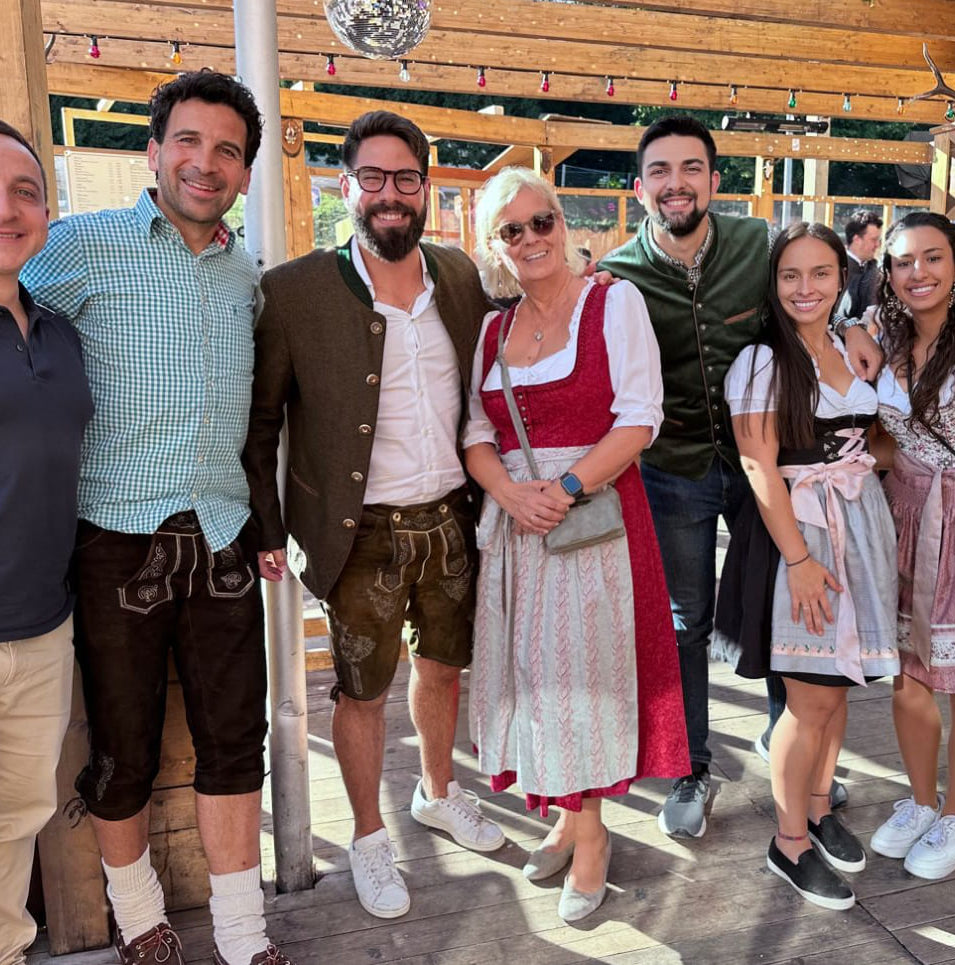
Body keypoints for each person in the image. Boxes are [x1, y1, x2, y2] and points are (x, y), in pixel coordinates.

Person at [21, 72, 291, 965]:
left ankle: (247, 936)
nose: (204, 163)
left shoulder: (247, 275)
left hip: (220, 540)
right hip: (113, 540)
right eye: (188, 141)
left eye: (226, 150)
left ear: (245, 172)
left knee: (232, 744)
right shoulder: (78, 247)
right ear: (153, 150)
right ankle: (141, 923)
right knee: (123, 749)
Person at [242, 110, 504, 922]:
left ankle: (436, 789)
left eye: (407, 179)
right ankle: (365, 835)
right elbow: (260, 422)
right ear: (346, 186)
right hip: (357, 533)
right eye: (374, 178)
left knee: (443, 668)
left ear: (426, 188)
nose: (391, 195)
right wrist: (265, 525)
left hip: (452, 518)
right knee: (359, 692)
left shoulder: (459, 277)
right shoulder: (293, 290)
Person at [598, 116, 882, 838]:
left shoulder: (757, 246)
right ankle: (691, 765)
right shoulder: (618, 276)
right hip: (675, 468)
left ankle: (790, 736)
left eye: (691, 168)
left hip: (770, 460)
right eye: (660, 170)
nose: (676, 183)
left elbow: (809, 292)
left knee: (779, 604)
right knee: (685, 621)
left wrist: (851, 324)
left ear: (713, 180)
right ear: (639, 188)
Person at [464, 166, 689, 923]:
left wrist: (559, 490)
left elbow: (640, 417)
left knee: (579, 682)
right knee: (532, 680)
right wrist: (507, 492)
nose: (530, 238)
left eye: (542, 221)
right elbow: (475, 432)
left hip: (589, 518)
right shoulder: (495, 328)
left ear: (563, 226)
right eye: (512, 229)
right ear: (496, 246)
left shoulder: (611, 301)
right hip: (518, 526)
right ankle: (565, 816)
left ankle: (591, 838)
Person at [713, 222, 899, 910]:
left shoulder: (851, 348)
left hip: (857, 522)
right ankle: (787, 841)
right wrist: (796, 558)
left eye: (819, 273)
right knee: (808, 695)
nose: (805, 288)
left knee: (839, 681)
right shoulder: (761, 361)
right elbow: (759, 463)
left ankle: (819, 808)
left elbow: (875, 435)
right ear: (772, 282)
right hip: (798, 531)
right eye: (790, 274)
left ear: (838, 278)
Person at [0, 121, 92, 965]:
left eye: (25, 190)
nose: (7, 208)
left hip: (41, 625)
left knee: (17, 818)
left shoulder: (58, 331)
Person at [870, 212, 955, 879]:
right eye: (903, 261)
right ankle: (920, 800)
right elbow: (877, 433)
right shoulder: (880, 336)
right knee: (905, 674)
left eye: (932, 258)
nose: (918, 273)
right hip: (900, 512)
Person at [838, 210, 883, 323]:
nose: (878, 245)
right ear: (857, 240)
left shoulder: (874, 268)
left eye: (879, 240)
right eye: (873, 240)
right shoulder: (838, 270)